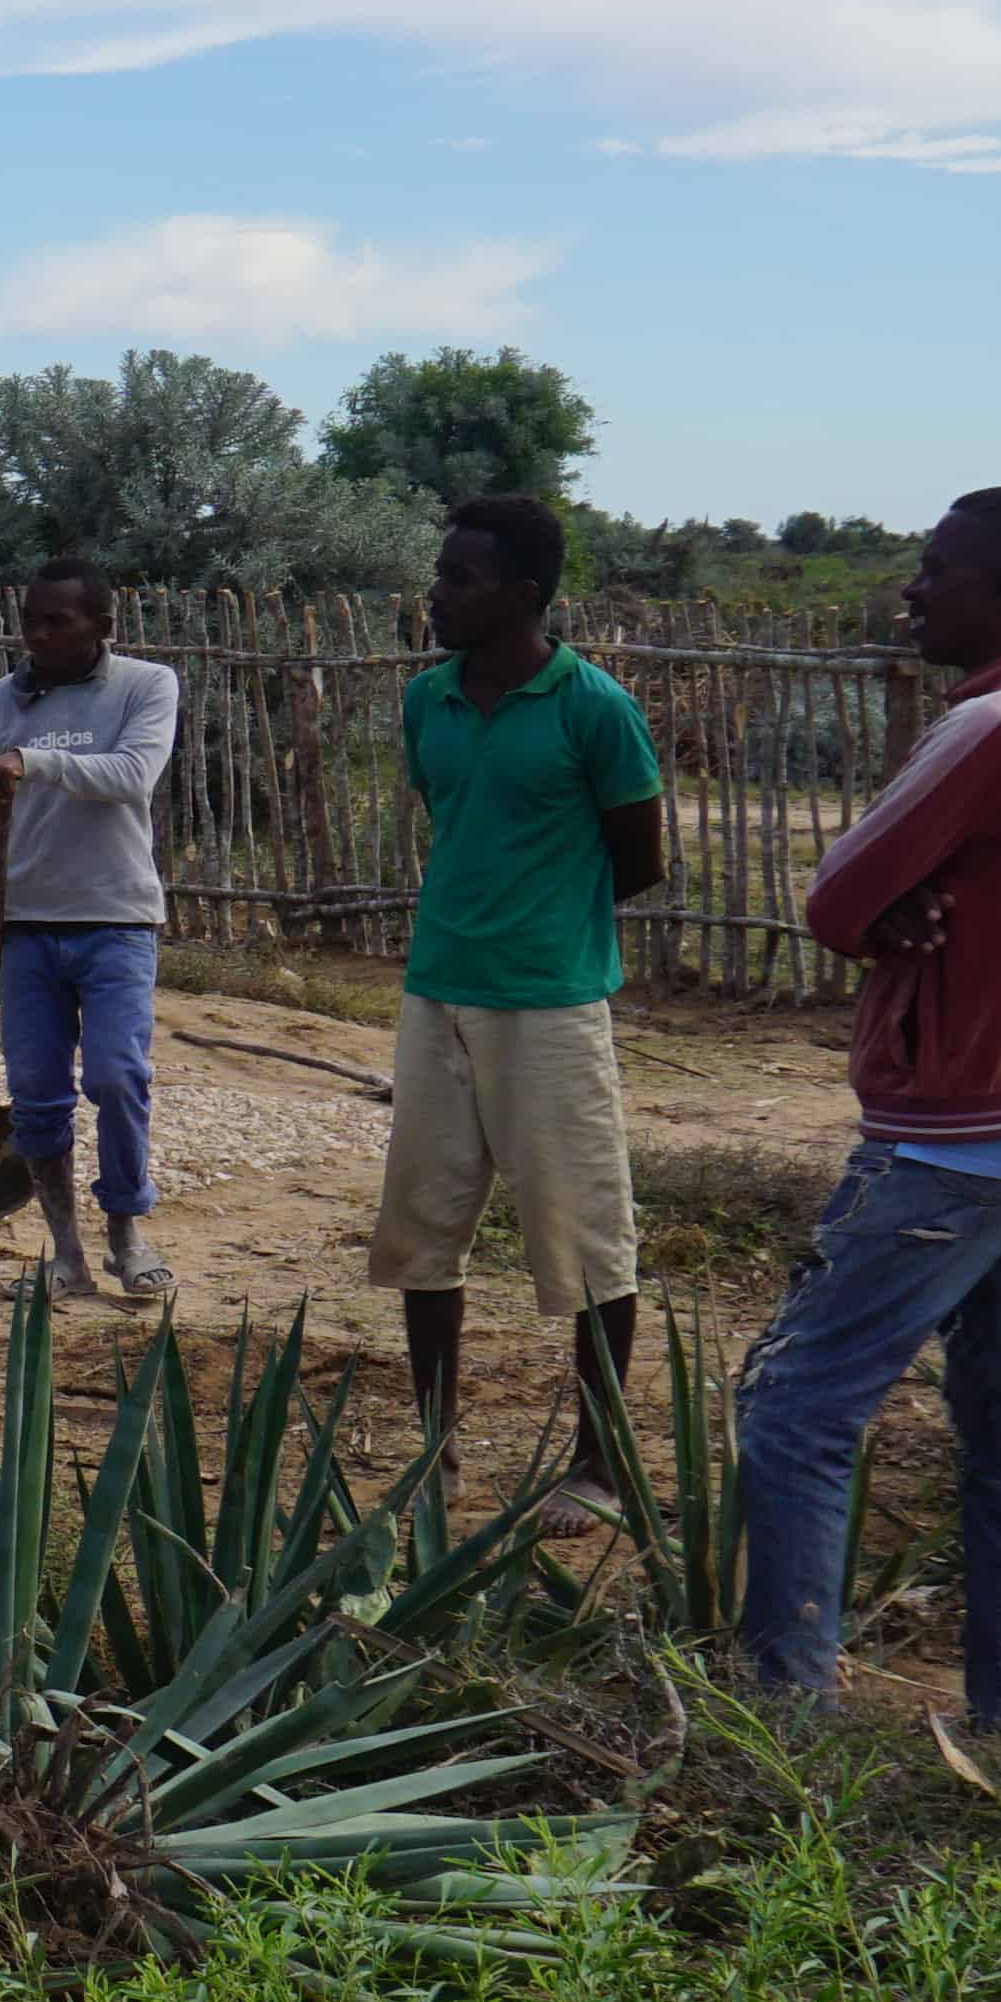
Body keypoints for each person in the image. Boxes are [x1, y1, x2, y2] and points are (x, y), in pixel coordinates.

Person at [739, 489, 1001, 1738]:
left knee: (793, 1411)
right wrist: (899, 902)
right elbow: (896, 894)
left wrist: (884, 905)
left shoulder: (998, 719)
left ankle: (781, 1732)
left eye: (936, 572)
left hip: (961, 1129)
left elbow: (837, 891)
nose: (911, 593)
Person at [376, 493, 670, 1449]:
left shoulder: (596, 709)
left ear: (527, 594)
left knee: (584, 1239)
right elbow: (453, 818)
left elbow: (639, 857)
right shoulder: (430, 700)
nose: (438, 594)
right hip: (436, 992)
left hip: (550, 1004)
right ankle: (439, 1444)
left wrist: (543, 925)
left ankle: (597, 1461)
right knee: (424, 1226)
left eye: (461, 577)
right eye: (440, 573)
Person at [0, 560, 179, 1304]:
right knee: (40, 1098)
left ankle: (127, 1232)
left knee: (119, 1078)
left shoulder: (146, 687)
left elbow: (132, 775)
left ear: (103, 628)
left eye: (60, 621)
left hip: (117, 921)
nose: (41, 634)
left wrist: (31, 759)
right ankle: (67, 1254)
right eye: (31, 620)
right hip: (23, 930)